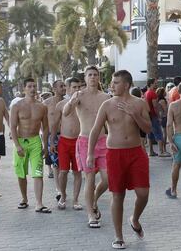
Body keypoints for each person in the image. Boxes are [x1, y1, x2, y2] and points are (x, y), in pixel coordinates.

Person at [87, 70, 151, 249]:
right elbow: (94, 130)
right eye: (112, 82)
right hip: (115, 154)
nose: (111, 85)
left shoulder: (139, 103)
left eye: (116, 82)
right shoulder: (107, 105)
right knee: (118, 195)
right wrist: (90, 154)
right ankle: (118, 236)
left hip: (136, 153)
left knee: (143, 194)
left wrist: (135, 115)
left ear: (127, 85)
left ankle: (135, 219)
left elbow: (148, 129)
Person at [63, 65, 110, 228]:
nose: (92, 77)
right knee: (89, 179)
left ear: (99, 78)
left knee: (108, 179)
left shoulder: (105, 97)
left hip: (103, 142)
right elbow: (65, 112)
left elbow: (110, 121)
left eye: (95, 75)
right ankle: (91, 215)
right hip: (84, 141)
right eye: (89, 75)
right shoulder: (79, 95)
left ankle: (94, 199)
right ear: (85, 78)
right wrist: (71, 102)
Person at [10, 78, 51, 213]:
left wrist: (45, 145)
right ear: (24, 89)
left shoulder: (42, 107)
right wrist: (17, 145)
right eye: (29, 86)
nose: (33, 89)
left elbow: (45, 128)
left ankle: (39, 203)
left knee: (38, 173)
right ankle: (24, 198)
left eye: (34, 86)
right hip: (21, 141)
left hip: (35, 142)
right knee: (21, 173)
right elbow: (12, 127)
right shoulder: (17, 106)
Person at [50, 77, 83, 210]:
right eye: (74, 87)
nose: (77, 90)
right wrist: (52, 142)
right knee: (63, 171)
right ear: (68, 89)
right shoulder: (61, 105)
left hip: (79, 142)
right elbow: (54, 125)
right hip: (64, 142)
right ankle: (63, 196)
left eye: (79, 87)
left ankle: (75, 200)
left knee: (77, 172)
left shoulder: (83, 103)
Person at [43, 80, 66, 201]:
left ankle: (63, 190)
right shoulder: (46, 103)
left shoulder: (68, 103)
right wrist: (45, 141)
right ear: (54, 89)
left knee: (65, 167)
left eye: (64, 86)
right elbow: (43, 124)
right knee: (56, 165)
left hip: (66, 136)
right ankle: (59, 190)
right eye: (61, 86)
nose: (64, 88)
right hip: (53, 137)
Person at [145, 78, 169, 157]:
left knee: (150, 134)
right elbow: (155, 106)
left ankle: (151, 151)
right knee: (159, 133)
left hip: (149, 116)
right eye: (155, 83)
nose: (157, 84)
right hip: (153, 116)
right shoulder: (153, 93)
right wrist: (159, 116)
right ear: (151, 84)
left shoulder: (147, 93)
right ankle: (161, 152)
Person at [156, 87, 169, 155]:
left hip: (161, 117)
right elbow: (165, 110)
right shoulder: (162, 101)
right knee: (164, 133)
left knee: (163, 133)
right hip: (164, 117)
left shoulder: (158, 100)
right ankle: (164, 149)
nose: (166, 92)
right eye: (164, 91)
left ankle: (163, 149)